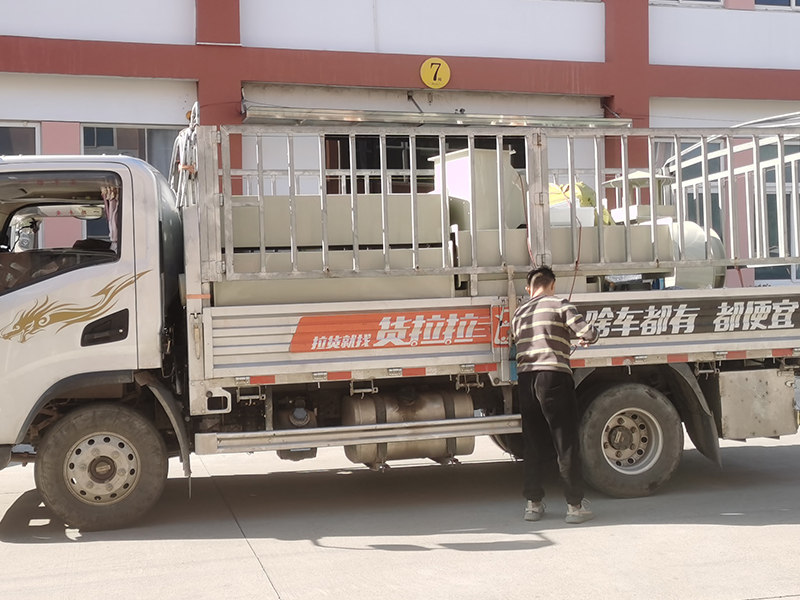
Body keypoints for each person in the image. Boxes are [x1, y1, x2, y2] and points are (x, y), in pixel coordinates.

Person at [511, 266, 599, 524]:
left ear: (529, 288)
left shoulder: (519, 312)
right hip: (554, 378)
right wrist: (584, 337)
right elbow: (588, 333)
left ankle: (533, 505)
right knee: (565, 442)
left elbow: (516, 339)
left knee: (533, 443)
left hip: (526, 379)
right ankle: (574, 506)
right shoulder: (561, 304)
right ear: (553, 284)